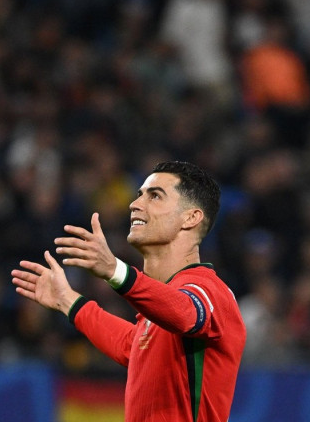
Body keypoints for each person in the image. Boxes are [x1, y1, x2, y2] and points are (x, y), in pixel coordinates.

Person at [12, 161, 246, 422]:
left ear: (190, 217)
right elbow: (133, 346)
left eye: (155, 196)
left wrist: (115, 270)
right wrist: (68, 301)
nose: (135, 204)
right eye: (139, 195)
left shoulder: (211, 290)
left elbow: (184, 312)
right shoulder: (159, 306)